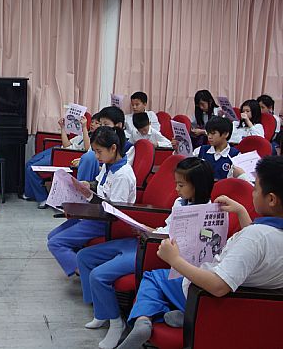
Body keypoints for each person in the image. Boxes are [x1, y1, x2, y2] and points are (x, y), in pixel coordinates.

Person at [117, 156, 283, 349]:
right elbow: (257, 252)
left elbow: (219, 286)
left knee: (153, 277)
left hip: (206, 299)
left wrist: (175, 260)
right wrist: (241, 212)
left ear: (271, 199)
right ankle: (177, 314)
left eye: (255, 189)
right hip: (245, 307)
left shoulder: (255, 238)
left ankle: (150, 318)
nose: (252, 193)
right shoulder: (266, 235)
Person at [76, 158, 213, 349]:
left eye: (181, 185)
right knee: (84, 257)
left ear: (197, 186)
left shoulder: (210, 214)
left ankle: (121, 322)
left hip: (162, 253)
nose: (176, 189)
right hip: (152, 240)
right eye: (176, 184)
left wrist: (155, 236)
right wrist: (146, 228)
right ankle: (122, 316)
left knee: (103, 275)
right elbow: (167, 227)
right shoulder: (180, 202)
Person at [47, 127, 136, 278]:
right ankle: (82, 266)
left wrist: (87, 204)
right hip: (95, 213)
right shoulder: (108, 164)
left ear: (113, 148)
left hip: (105, 222)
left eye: (99, 151)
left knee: (55, 243)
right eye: (94, 151)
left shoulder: (123, 175)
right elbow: (99, 183)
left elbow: (115, 211)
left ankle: (84, 272)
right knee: (52, 236)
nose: (96, 156)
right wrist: (87, 185)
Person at [24, 115, 90, 209]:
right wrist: (62, 127)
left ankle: (42, 198)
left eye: (96, 123)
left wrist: (84, 128)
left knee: (32, 168)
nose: (93, 124)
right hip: (60, 149)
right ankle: (30, 194)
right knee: (29, 163)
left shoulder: (93, 137)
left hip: (64, 155)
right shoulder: (82, 135)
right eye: (92, 122)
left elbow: (87, 149)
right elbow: (66, 144)